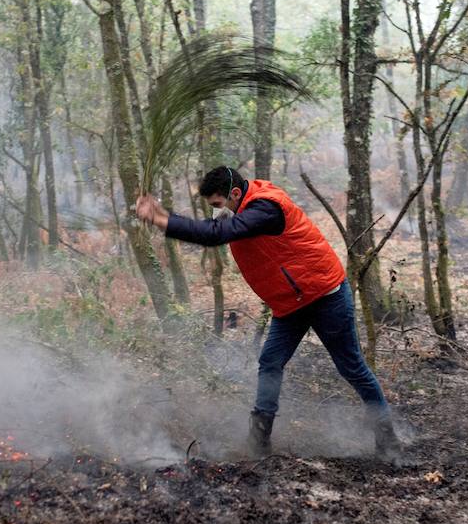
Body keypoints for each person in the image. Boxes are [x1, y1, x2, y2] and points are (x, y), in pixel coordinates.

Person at [136, 166, 404, 462]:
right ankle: (259, 443)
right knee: (270, 362)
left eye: (217, 205)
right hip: (291, 303)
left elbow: (215, 235)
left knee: (351, 367)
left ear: (235, 194)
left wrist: (161, 219)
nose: (216, 213)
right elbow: (219, 230)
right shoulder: (240, 209)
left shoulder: (266, 208)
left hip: (325, 295)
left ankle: (388, 440)